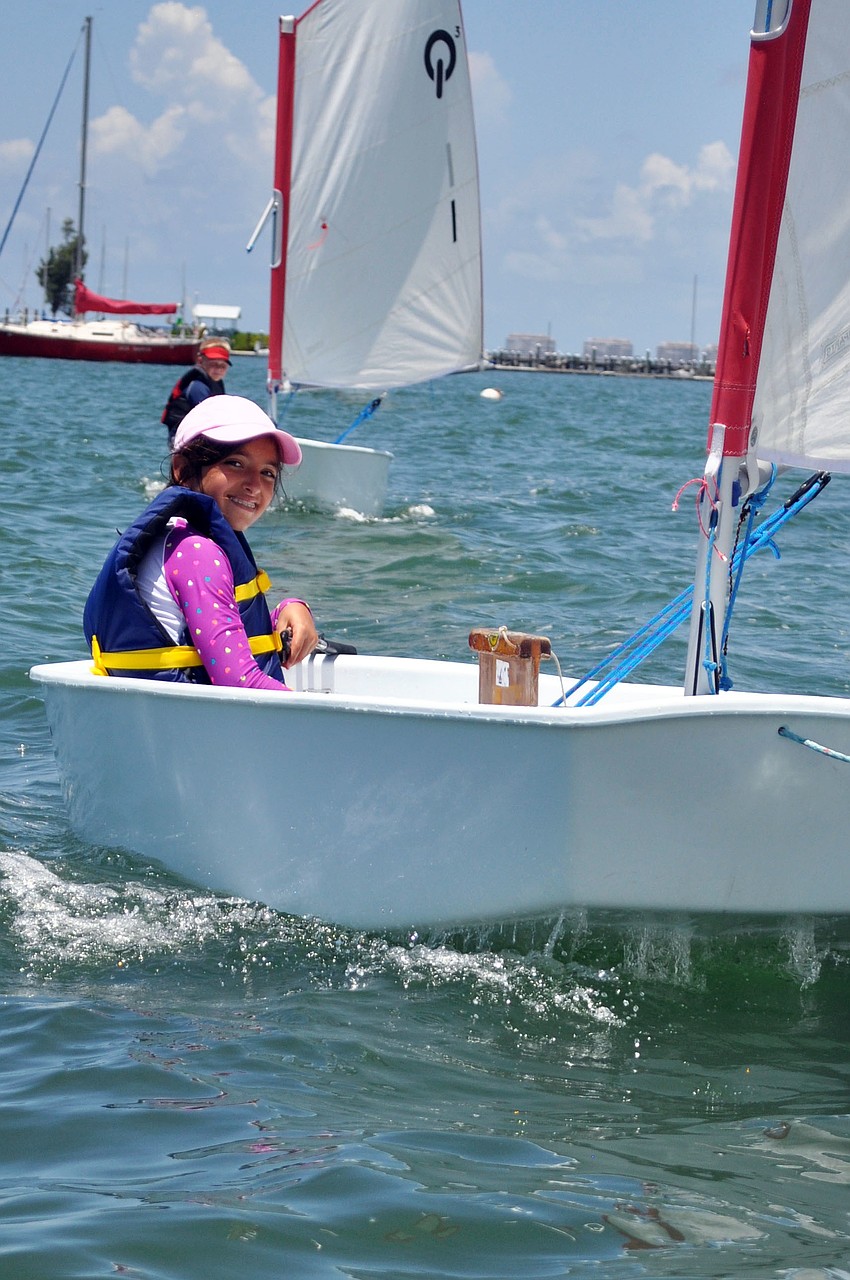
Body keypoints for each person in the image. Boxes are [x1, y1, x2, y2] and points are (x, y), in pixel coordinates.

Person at [84, 395, 317, 690]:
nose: (254, 485)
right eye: (235, 463)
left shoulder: (178, 541)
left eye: (268, 473)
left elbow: (219, 631)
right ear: (182, 470)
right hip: (192, 726)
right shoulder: (197, 552)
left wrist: (289, 608)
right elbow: (239, 682)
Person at [161, 336, 232, 442]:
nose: (218, 369)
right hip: (184, 439)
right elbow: (208, 417)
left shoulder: (215, 382)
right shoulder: (197, 386)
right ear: (200, 361)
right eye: (213, 364)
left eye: (222, 366)